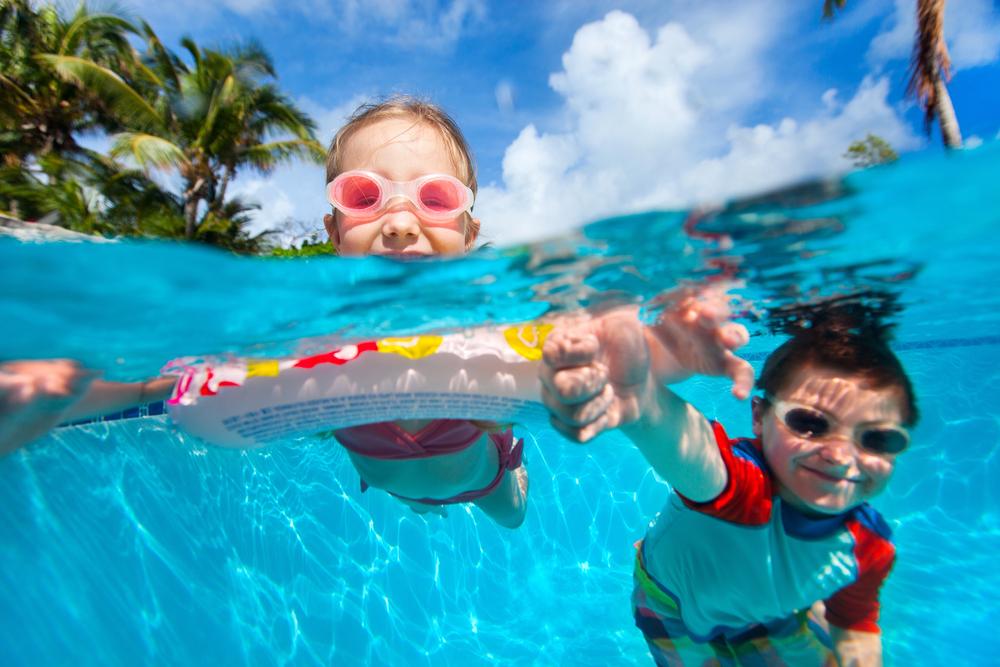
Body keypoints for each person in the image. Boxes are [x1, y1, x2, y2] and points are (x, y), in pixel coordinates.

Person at [0, 98, 529, 529]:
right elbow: (160, 380)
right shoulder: (312, 331)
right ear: (333, 231)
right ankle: (417, 500)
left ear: (468, 235)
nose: (399, 222)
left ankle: (511, 471)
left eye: (435, 198)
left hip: (483, 481)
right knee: (411, 498)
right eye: (365, 196)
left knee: (513, 517)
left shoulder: (480, 329)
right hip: (388, 477)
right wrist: (65, 387)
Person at [540, 289, 916, 666]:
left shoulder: (870, 547)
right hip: (676, 611)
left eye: (877, 438)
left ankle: (796, 603)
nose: (839, 455)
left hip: (769, 613)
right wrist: (641, 400)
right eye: (810, 424)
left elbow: (853, 620)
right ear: (759, 417)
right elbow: (695, 453)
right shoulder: (745, 489)